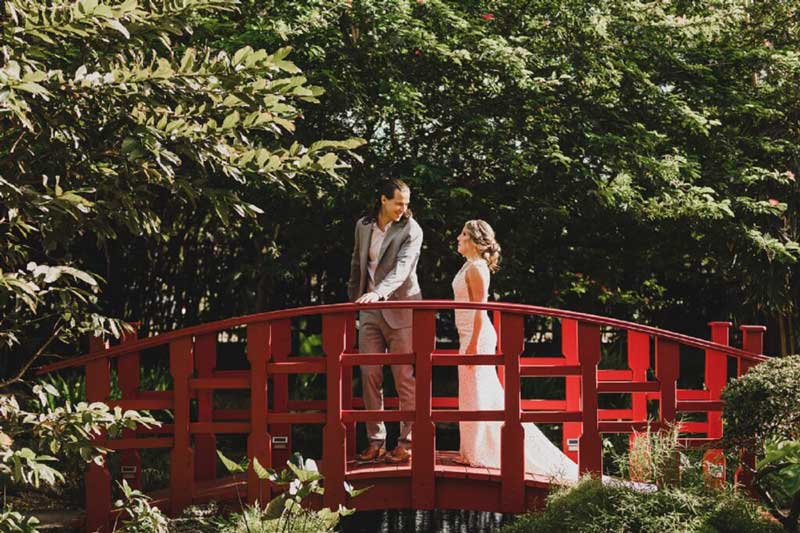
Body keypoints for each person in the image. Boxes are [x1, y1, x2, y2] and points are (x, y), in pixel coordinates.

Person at [452, 219, 579, 482]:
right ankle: (470, 450)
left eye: (463, 234)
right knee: (472, 393)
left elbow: (479, 309)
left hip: (477, 337)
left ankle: (476, 453)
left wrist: (474, 344)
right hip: (467, 335)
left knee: (479, 393)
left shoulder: (476, 269)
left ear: (475, 241)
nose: (458, 238)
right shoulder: (468, 265)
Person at [348, 178, 424, 464]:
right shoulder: (363, 226)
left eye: (406, 204)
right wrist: (353, 302)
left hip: (401, 307)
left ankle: (407, 442)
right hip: (368, 310)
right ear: (383, 200)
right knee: (369, 374)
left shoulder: (411, 229)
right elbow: (357, 263)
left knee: (403, 377)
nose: (403, 209)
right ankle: (375, 441)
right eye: (398, 203)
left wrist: (378, 293)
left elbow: (403, 269)